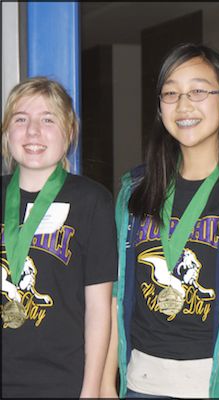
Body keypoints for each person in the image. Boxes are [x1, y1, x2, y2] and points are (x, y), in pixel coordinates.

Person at [100, 43, 219, 399]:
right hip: (141, 385)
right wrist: (108, 385)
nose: (184, 105)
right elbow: (114, 296)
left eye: (199, 90)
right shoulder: (134, 192)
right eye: (171, 93)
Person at [1, 76, 118, 398]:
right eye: (20, 119)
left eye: (48, 119)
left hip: (62, 381)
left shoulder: (92, 200)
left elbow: (99, 308)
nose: (33, 131)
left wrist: (91, 389)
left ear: (68, 133)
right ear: (7, 132)